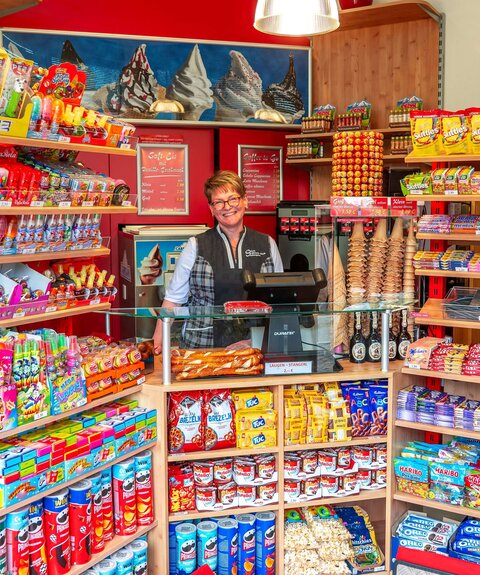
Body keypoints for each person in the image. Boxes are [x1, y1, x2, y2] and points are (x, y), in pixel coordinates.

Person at [153, 170, 283, 353]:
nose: (227, 206)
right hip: (201, 348)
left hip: (253, 347)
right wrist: (158, 341)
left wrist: (255, 341)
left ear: (245, 201)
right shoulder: (196, 245)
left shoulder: (267, 244)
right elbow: (173, 300)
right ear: (212, 209)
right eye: (219, 202)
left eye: (233, 199)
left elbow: (278, 303)